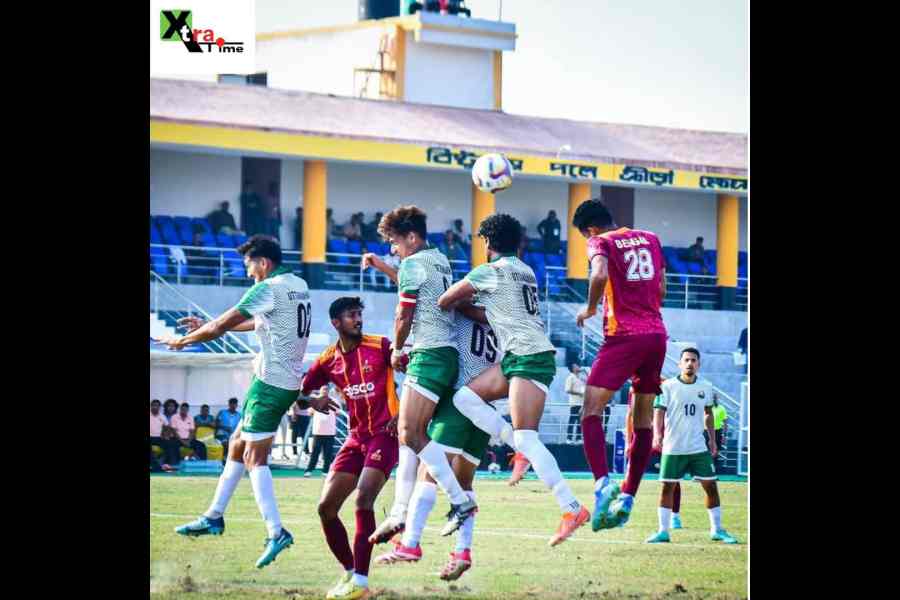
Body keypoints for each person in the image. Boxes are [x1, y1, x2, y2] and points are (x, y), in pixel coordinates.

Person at [166, 235, 322, 569]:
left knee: (254, 458)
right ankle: (213, 516)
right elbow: (263, 322)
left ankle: (276, 531)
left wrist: (183, 340)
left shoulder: (265, 288)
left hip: (268, 384)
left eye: (249, 266)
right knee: (237, 444)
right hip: (285, 382)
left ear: (263, 263)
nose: (248, 273)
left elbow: (218, 327)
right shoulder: (297, 284)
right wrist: (209, 327)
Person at [436, 213, 589, 546]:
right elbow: (493, 315)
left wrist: (459, 301)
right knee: (465, 398)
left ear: (488, 242)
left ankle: (571, 508)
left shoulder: (488, 272)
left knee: (528, 438)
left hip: (529, 357)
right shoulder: (525, 270)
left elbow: (445, 300)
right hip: (520, 355)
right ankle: (517, 448)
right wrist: (470, 307)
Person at [362, 206, 469, 546]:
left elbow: (403, 313)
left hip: (428, 354)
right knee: (408, 435)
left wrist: (396, 349)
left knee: (409, 432)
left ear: (411, 237)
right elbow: (418, 289)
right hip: (447, 353)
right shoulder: (438, 259)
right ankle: (399, 513)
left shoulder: (412, 264)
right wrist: (382, 267)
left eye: (394, 242)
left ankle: (460, 501)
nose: (393, 250)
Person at [375, 311, 502, 579]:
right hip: (486, 406)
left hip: (459, 401)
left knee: (428, 472)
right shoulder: (496, 315)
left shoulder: (461, 312)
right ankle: (462, 551)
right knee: (464, 483)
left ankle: (410, 544)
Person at [572, 197, 668, 532]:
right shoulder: (651, 238)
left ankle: (602, 483)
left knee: (590, 410)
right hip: (656, 335)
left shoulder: (601, 242)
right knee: (642, 419)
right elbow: (662, 286)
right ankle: (628, 497)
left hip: (623, 335)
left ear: (591, 229)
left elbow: (599, 273)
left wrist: (590, 308)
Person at [299, 296, 400, 600]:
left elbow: (416, 372)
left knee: (363, 499)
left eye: (359, 314)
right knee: (326, 508)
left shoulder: (380, 346)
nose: (358, 319)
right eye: (351, 315)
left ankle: (360, 582)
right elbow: (299, 390)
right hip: (355, 439)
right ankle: (350, 570)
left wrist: (405, 411)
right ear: (336, 322)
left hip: (384, 435)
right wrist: (312, 400)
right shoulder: (328, 359)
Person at [644, 348, 739, 545]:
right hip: (673, 447)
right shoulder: (667, 386)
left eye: (693, 360)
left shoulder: (706, 386)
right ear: (680, 364)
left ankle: (717, 530)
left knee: (711, 486)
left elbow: (708, 413)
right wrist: (657, 435)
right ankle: (663, 531)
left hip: (697, 447)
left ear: (698, 364)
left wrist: (712, 440)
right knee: (667, 487)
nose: (690, 363)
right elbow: (658, 411)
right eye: (686, 360)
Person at [304, 402, 337, 476]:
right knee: (315, 453)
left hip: (330, 433)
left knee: (328, 454)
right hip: (317, 432)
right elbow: (310, 413)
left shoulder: (334, 402)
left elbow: (337, 412)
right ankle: (309, 470)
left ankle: (325, 471)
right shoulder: (315, 401)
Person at [150, 399, 180, 469]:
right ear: (151, 406)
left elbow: (167, 427)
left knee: (170, 444)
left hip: (159, 438)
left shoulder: (162, 416)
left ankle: (171, 465)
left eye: (157, 406)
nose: (155, 407)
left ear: (159, 407)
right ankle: (155, 466)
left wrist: (165, 435)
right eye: (153, 405)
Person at [565, 365, 586, 443]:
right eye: (576, 366)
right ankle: (569, 438)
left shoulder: (581, 378)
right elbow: (567, 390)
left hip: (582, 403)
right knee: (572, 420)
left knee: (581, 422)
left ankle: (578, 438)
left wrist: (585, 372)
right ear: (573, 369)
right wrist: (579, 393)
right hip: (574, 403)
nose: (578, 367)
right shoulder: (570, 377)